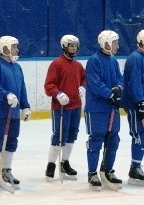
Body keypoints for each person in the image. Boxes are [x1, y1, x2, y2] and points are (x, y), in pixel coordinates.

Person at [0, 35, 31, 190]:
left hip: (12, 114)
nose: (17, 50)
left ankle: (6, 170)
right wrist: (5, 94)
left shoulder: (17, 67)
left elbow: (22, 88)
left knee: (12, 141)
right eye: (14, 47)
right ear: (5, 49)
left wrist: (25, 106)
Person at [85, 30, 123, 190]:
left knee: (113, 139)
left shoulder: (113, 62)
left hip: (112, 108)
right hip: (97, 109)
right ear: (106, 44)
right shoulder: (93, 61)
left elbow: (120, 79)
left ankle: (107, 169)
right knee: (96, 139)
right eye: (115, 43)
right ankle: (92, 172)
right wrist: (110, 94)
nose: (117, 46)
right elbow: (94, 83)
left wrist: (119, 88)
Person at [44, 35, 86, 181]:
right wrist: (57, 93)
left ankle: (65, 162)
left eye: (75, 45)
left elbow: (84, 80)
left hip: (76, 106)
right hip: (60, 108)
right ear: (64, 46)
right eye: (71, 45)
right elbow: (49, 85)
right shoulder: (56, 64)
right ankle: (51, 165)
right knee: (59, 135)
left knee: (72, 135)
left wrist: (83, 87)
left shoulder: (79, 66)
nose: (74, 48)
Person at [121, 30, 144, 186]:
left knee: (143, 135)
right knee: (139, 136)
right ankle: (134, 170)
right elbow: (134, 83)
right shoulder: (135, 59)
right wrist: (140, 102)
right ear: (141, 42)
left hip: (142, 104)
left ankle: (136, 166)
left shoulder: (141, 58)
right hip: (137, 105)